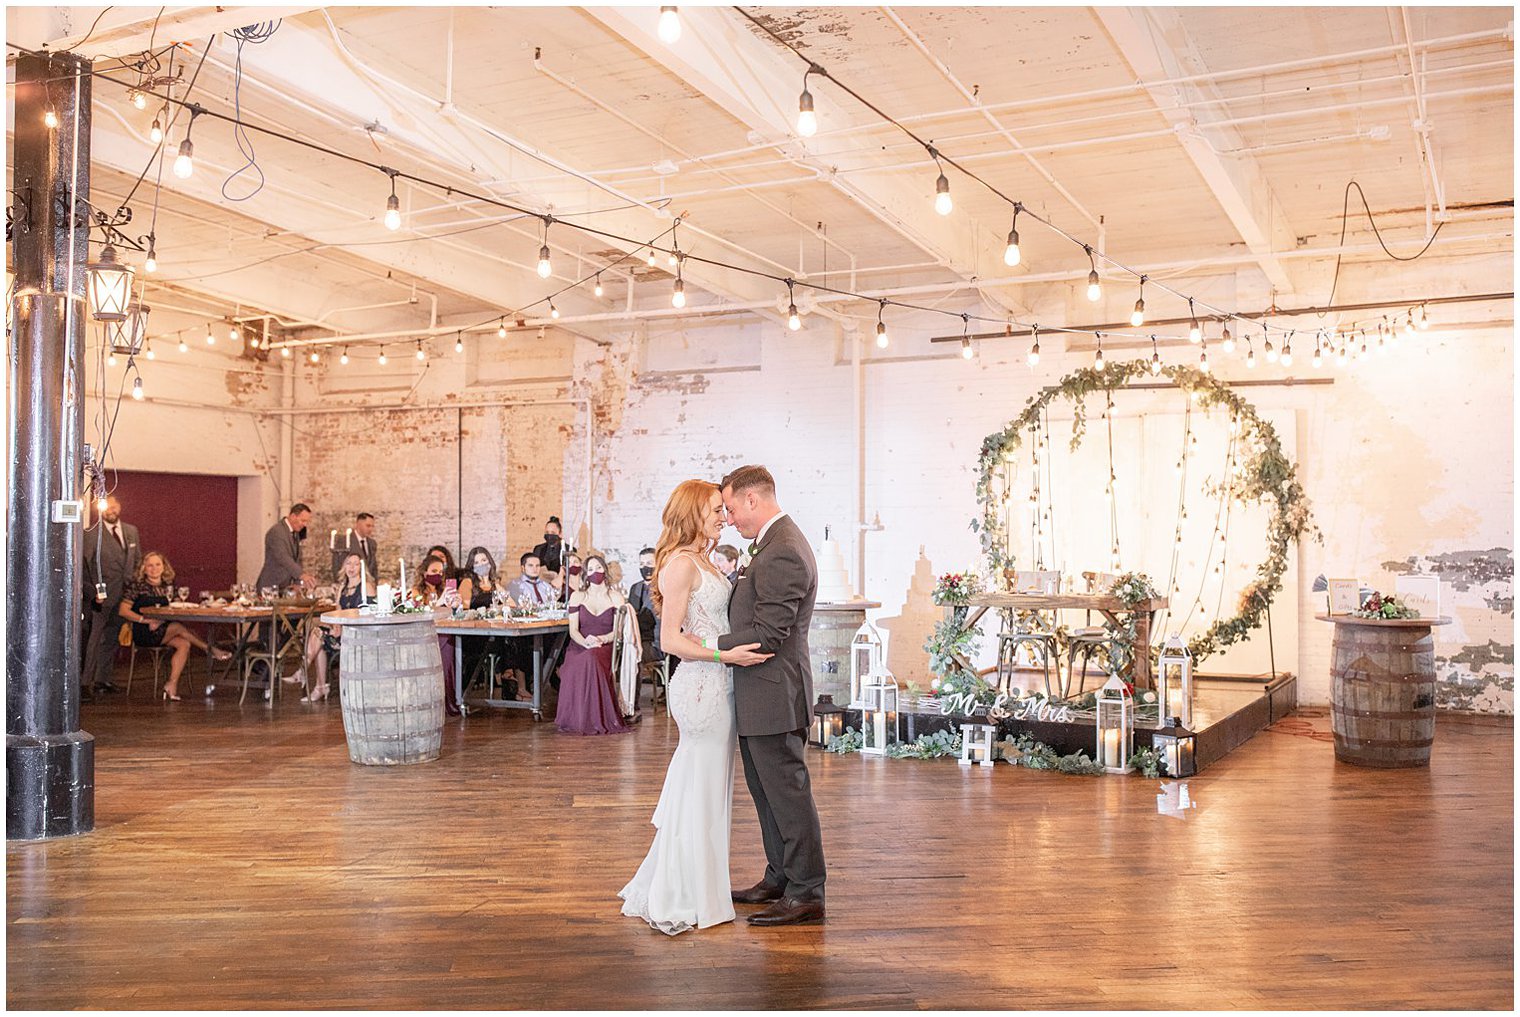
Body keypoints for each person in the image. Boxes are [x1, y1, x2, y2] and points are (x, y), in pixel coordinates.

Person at [619, 480, 770, 935]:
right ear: (691, 514)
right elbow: (670, 640)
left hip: (720, 683)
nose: (723, 517)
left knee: (707, 787)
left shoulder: (705, 559)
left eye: (723, 511)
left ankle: (701, 885)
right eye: (714, 511)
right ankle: (685, 892)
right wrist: (728, 655)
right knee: (700, 786)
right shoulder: (681, 565)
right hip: (702, 688)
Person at [716, 464, 826, 926]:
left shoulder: (783, 550)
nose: (728, 518)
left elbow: (768, 635)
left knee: (788, 795)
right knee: (766, 793)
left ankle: (806, 890)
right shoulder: (772, 545)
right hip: (761, 693)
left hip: (775, 693)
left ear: (752, 500)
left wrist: (701, 646)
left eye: (730, 507)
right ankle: (779, 875)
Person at [118, 552, 230, 701]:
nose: (154, 568)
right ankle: (210, 649)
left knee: (184, 643)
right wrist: (145, 620)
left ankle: (171, 684)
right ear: (144, 568)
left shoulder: (168, 586)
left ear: (164, 567)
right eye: (150, 565)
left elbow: (176, 606)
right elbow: (123, 611)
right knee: (178, 628)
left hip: (164, 628)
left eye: (158, 564)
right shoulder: (137, 586)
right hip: (144, 630)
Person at [554, 554, 632, 735]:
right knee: (578, 660)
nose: (594, 572)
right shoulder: (577, 597)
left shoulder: (616, 597)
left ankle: (596, 718)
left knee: (592, 658)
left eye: (598, 567)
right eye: (590, 569)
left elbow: (618, 631)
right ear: (585, 574)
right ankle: (576, 717)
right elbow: (573, 630)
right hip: (580, 644)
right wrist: (586, 642)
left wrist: (602, 639)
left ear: (604, 570)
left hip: (605, 645)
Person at [80, 495, 141, 698]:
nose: (111, 510)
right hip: (101, 597)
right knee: (93, 639)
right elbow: (87, 565)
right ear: (100, 510)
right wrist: (95, 591)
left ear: (120, 507)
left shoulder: (131, 531)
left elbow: (137, 561)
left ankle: (102, 679)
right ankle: (84, 683)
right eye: (107, 507)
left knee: (112, 639)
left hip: (124, 597)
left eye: (114, 506)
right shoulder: (91, 533)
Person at [296, 551, 372, 702]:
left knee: (319, 638)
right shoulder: (342, 588)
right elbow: (338, 612)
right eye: (349, 563)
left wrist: (343, 627)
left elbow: (367, 614)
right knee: (318, 633)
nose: (352, 567)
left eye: (356, 564)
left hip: (358, 634)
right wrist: (336, 626)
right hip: (341, 634)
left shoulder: (367, 587)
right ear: (344, 567)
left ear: (361, 568)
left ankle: (308, 675)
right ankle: (319, 686)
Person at [458, 546, 515, 694]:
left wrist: (501, 609)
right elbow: (463, 609)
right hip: (475, 633)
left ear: (490, 562)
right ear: (472, 566)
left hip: (494, 631)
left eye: (484, 560)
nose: (481, 564)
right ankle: (507, 676)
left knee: (513, 638)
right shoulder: (468, 583)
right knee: (507, 640)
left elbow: (512, 604)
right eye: (477, 562)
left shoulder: (495, 585)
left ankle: (508, 675)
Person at [413, 554, 463, 716]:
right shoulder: (416, 591)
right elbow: (422, 613)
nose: (438, 575)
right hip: (427, 634)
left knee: (452, 652)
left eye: (441, 572)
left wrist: (456, 605)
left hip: (446, 630)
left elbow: (451, 614)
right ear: (424, 572)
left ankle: (451, 698)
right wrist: (440, 601)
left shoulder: (443, 589)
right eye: (434, 571)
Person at [257, 503, 316, 593]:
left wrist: (297, 582)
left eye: (307, 522)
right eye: (303, 521)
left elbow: (297, 560)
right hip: (270, 587)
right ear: (292, 516)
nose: (305, 525)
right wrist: (302, 575)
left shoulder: (295, 533)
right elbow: (283, 557)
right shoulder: (276, 532)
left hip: (284, 587)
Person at [330, 512, 379, 579]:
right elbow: (337, 565)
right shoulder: (344, 541)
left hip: (368, 584)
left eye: (372, 526)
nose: (371, 529)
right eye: (368, 526)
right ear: (358, 524)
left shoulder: (372, 543)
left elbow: (373, 567)